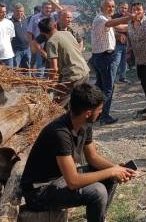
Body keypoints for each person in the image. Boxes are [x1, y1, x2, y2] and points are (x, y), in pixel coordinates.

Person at [20, 82, 137, 222]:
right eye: (99, 110)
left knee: (110, 176)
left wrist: (117, 168)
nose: (101, 113)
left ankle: (100, 217)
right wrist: (111, 171)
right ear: (88, 113)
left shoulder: (83, 123)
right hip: (39, 192)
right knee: (97, 191)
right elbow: (73, 181)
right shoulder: (60, 133)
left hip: (60, 179)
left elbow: (93, 157)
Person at [91, 0, 136, 125]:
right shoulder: (101, 19)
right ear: (101, 7)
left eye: (112, 6)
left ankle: (97, 114)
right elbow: (115, 23)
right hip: (104, 57)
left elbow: (121, 26)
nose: (111, 9)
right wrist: (128, 17)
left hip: (102, 57)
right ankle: (104, 116)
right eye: (108, 6)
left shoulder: (105, 19)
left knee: (100, 87)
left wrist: (137, 23)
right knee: (108, 88)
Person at [39, 17, 90, 101]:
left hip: (73, 76)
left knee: (59, 104)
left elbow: (54, 69)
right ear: (55, 25)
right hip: (84, 72)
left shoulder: (51, 42)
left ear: (41, 32)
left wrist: (49, 85)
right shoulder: (67, 33)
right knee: (79, 102)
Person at [112, 3, 130, 83]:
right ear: (119, 7)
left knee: (124, 62)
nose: (124, 9)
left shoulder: (128, 17)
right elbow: (113, 28)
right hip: (117, 42)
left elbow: (130, 29)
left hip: (125, 43)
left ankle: (122, 77)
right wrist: (123, 29)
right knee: (116, 61)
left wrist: (122, 28)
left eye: (126, 8)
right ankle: (112, 78)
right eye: (122, 7)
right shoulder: (114, 16)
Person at [11, 3, 31, 69]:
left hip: (27, 49)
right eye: (17, 11)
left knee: (27, 69)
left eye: (21, 11)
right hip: (16, 50)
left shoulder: (26, 21)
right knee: (16, 69)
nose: (19, 13)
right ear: (13, 11)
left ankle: (27, 79)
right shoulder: (10, 22)